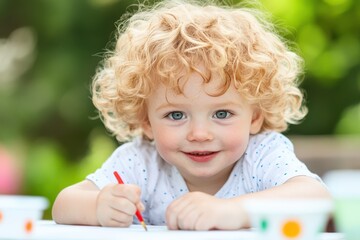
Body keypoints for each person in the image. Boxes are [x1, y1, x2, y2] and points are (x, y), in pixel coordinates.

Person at [52, 0, 331, 230]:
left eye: (222, 113)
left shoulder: (262, 155)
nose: (199, 134)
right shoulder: (142, 162)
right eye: (175, 115)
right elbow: (64, 203)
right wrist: (99, 206)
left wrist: (230, 211)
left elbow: (317, 197)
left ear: (255, 117)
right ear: (146, 121)